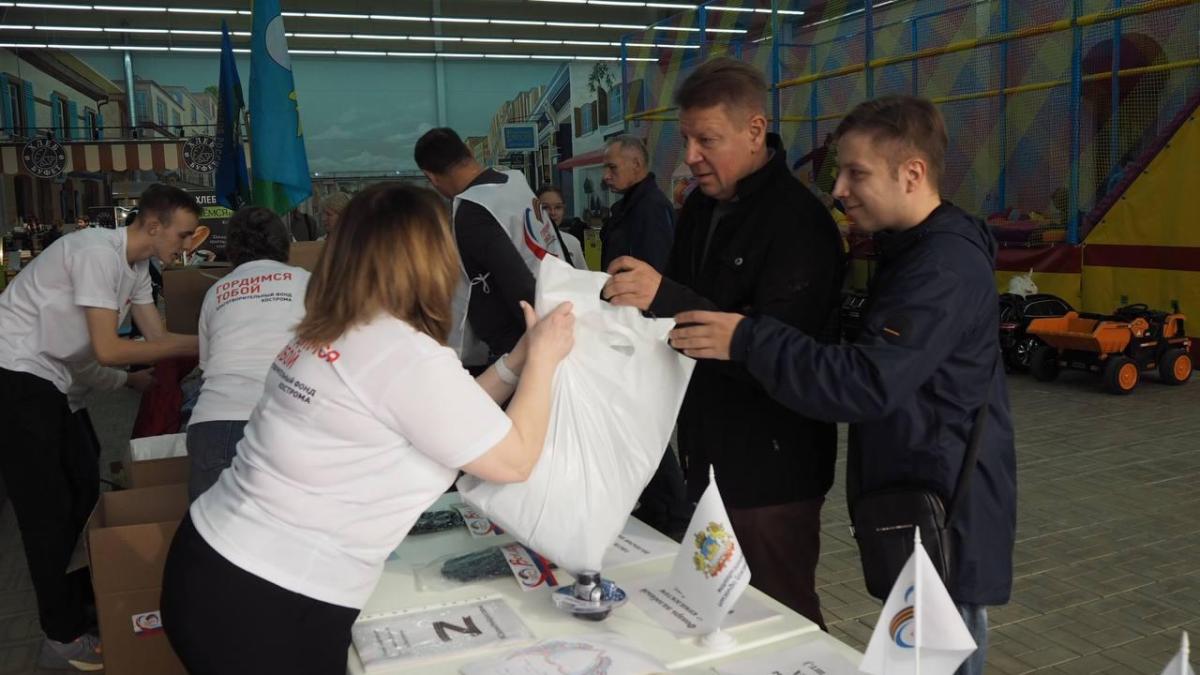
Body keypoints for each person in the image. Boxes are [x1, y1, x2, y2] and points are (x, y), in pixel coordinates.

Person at [160, 183, 575, 675]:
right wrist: (544, 360)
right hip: (266, 599)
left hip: (215, 565)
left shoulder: (335, 331)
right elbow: (515, 458)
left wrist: (518, 358)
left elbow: (450, 419)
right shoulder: (402, 352)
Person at [667, 95, 1017, 674]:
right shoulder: (908, 251)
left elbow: (866, 382)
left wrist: (747, 339)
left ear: (912, 174)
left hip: (946, 513)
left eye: (857, 173)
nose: (839, 190)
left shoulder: (943, 266)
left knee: (938, 659)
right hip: (914, 498)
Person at [601, 58, 844, 627]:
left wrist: (664, 296)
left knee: (780, 616)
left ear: (755, 131)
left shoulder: (800, 223)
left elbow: (785, 351)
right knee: (716, 613)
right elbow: (676, 315)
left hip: (773, 469)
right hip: (706, 453)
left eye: (707, 140)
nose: (690, 156)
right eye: (686, 139)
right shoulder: (699, 209)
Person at [0, 183, 201, 671]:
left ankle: (81, 602)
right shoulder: (96, 252)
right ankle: (60, 636)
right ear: (152, 225)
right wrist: (202, 343)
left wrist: (209, 341)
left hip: (55, 382)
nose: (185, 245)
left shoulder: (137, 269)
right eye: (181, 234)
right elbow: (109, 349)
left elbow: (155, 336)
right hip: (16, 377)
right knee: (47, 512)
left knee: (83, 485)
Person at [186, 207, 311, 501]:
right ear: (284, 244)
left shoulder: (216, 291)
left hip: (213, 424)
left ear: (232, 248)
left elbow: (206, 367)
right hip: (286, 419)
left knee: (216, 528)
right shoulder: (307, 282)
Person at [415, 127, 565, 368]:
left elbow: (517, 281)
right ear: (467, 152)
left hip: (524, 346)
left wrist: (545, 347)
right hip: (559, 309)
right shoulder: (514, 181)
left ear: (431, 177)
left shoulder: (473, 210)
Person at [600, 134, 675, 273]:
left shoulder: (652, 208)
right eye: (605, 168)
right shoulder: (630, 207)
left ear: (636, 164)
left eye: (612, 167)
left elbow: (657, 272)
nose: (606, 176)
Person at [535, 185, 587, 270]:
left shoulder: (572, 242)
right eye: (545, 207)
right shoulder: (527, 242)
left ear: (564, 209)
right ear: (535, 210)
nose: (553, 213)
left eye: (558, 207)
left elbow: (582, 274)